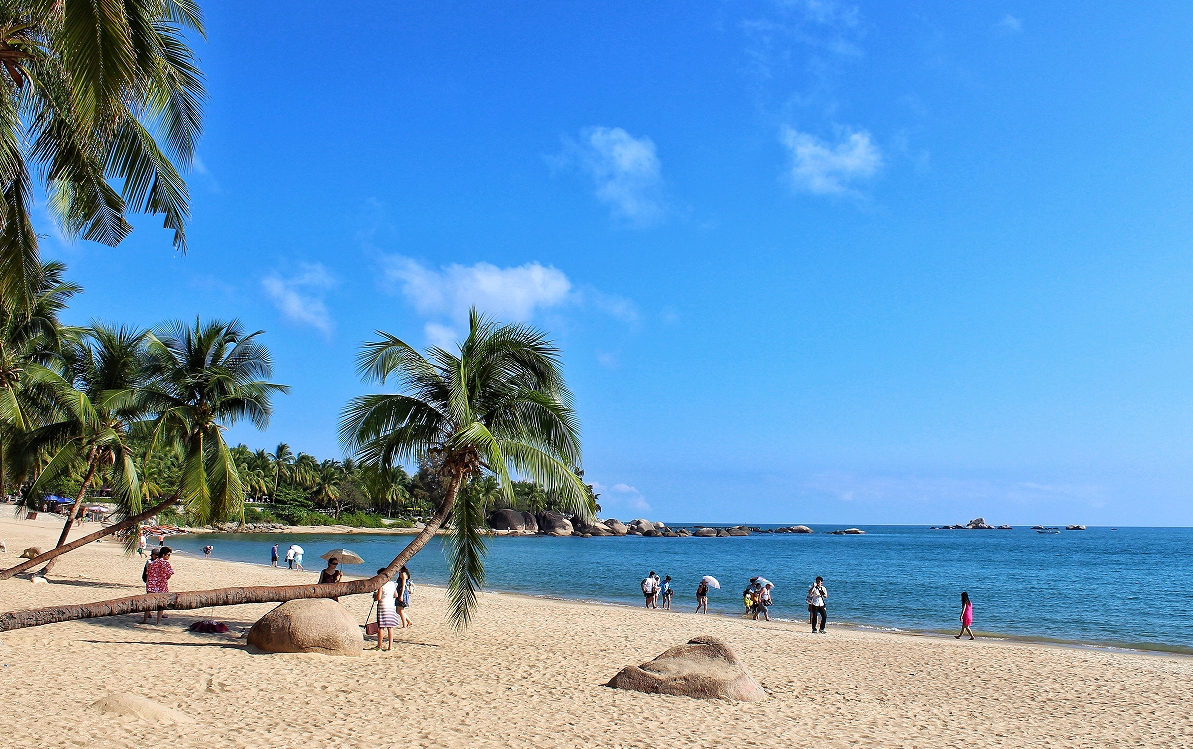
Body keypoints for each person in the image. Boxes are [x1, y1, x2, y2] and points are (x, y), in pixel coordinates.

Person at [142, 547, 174, 625]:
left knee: (149, 604)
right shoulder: (166, 563)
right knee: (161, 605)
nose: (169, 557)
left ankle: (144, 620)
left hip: (151, 585)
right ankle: (158, 622)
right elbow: (169, 575)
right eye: (168, 555)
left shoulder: (152, 563)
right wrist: (163, 578)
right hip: (162, 586)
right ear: (163, 555)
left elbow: (148, 574)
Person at [374, 568, 399, 650]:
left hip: (383, 606)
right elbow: (396, 595)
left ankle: (379, 646)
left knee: (381, 627)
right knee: (390, 627)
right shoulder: (392, 584)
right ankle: (390, 646)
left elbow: (378, 597)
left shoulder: (381, 585)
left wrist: (375, 596)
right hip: (391, 606)